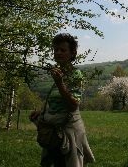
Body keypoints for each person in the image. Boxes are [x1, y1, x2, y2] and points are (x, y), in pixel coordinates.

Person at [29, 33, 95, 167]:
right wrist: (42, 113)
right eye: (56, 50)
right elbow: (57, 101)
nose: (58, 53)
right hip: (54, 134)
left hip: (69, 132)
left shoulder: (75, 75)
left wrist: (60, 84)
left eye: (63, 50)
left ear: (72, 53)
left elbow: (73, 105)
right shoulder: (59, 73)